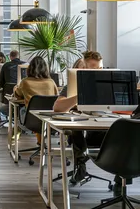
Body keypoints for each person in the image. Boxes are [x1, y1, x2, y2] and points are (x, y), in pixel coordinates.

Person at [53, 51, 129, 194]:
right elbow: (57, 107)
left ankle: (121, 179)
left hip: (106, 126)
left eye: (100, 69)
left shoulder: (108, 81)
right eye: (93, 69)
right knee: (76, 128)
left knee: (125, 130)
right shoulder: (74, 82)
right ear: (82, 69)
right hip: (82, 127)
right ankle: (80, 164)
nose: (98, 72)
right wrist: (80, 94)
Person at [15, 56, 59, 144]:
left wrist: (15, 88)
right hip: (50, 119)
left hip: (31, 120)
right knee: (41, 110)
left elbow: (17, 95)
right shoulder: (51, 82)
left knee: (23, 109)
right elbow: (56, 97)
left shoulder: (25, 82)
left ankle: (38, 141)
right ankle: (41, 143)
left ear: (30, 68)